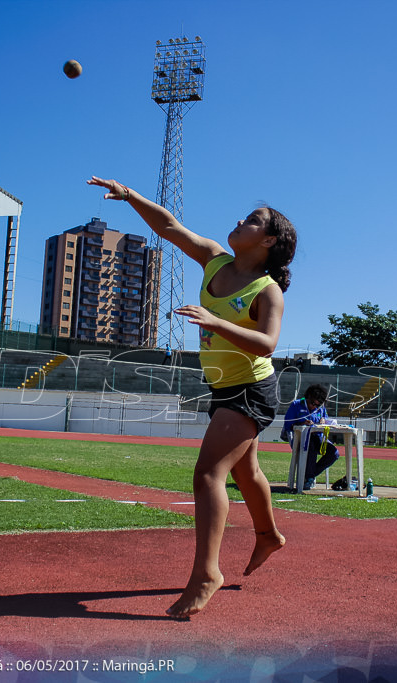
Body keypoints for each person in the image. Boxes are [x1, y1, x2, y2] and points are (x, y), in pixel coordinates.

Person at [87, 176, 296, 619]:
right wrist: (130, 197)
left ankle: (206, 573)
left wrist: (215, 323)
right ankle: (268, 535)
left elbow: (267, 344)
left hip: (252, 389)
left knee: (207, 476)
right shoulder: (216, 261)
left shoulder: (267, 290)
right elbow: (169, 227)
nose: (240, 221)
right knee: (248, 470)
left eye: (254, 221)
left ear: (269, 240)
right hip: (223, 386)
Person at [281, 384, 340, 490]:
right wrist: (302, 423)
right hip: (301, 439)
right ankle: (309, 477)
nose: (314, 407)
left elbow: (325, 419)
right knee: (310, 445)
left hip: (319, 437)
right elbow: (287, 425)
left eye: (318, 405)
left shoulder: (320, 409)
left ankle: (309, 476)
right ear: (307, 397)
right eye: (313, 403)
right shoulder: (296, 405)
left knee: (334, 453)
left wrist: (323, 421)